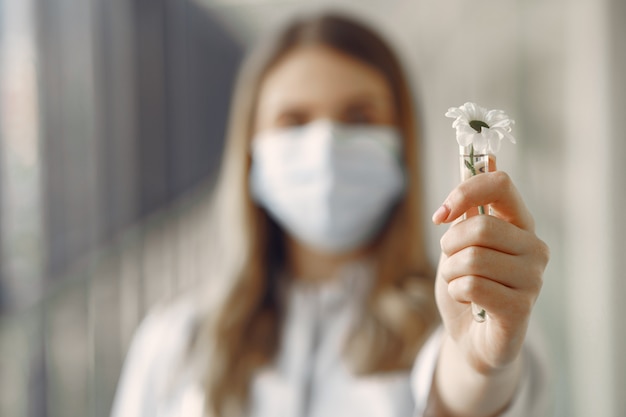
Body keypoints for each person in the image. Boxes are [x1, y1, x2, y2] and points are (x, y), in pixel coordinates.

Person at [110, 12, 550, 417]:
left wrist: (480, 364)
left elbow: (467, 385)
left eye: (359, 117)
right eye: (294, 121)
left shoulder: (461, 316)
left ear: (402, 143)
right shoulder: (175, 344)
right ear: (250, 151)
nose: (325, 145)